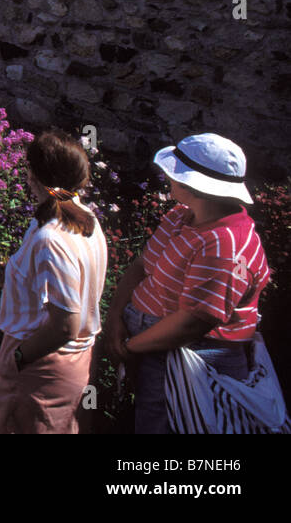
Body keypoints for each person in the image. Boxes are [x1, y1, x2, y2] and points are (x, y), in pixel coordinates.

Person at [105, 133, 271, 433]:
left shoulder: (225, 244)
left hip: (184, 355)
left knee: (167, 424)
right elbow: (142, 265)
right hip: (151, 345)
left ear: (193, 186)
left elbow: (192, 323)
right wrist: (116, 316)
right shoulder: (182, 216)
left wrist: (132, 346)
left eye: (174, 174)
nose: (167, 178)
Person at [0, 129, 108, 433]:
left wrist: (18, 358)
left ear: (34, 176)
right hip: (71, 360)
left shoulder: (52, 237)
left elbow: (65, 324)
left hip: (43, 363)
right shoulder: (85, 218)